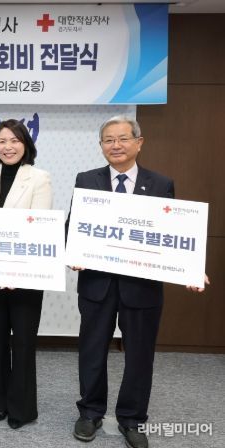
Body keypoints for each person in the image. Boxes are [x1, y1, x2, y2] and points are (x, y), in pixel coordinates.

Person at [68, 116, 209, 448]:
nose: (115, 145)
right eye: (108, 140)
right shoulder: (86, 180)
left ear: (139, 142)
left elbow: (173, 234)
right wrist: (72, 250)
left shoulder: (160, 184)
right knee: (91, 351)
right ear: (101, 146)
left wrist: (190, 269)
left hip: (142, 287)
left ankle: (132, 419)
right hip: (97, 284)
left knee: (140, 356)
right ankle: (90, 412)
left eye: (122, 138)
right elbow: (75, 224)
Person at [0, 119, 52, 429]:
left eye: (14, 140)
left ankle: (21, 408)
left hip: (26, 275)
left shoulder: (39, 178)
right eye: (2, 141)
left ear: (25, 145)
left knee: (23, 341)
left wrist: (15, 271)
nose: (8, 147)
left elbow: (40, 228)